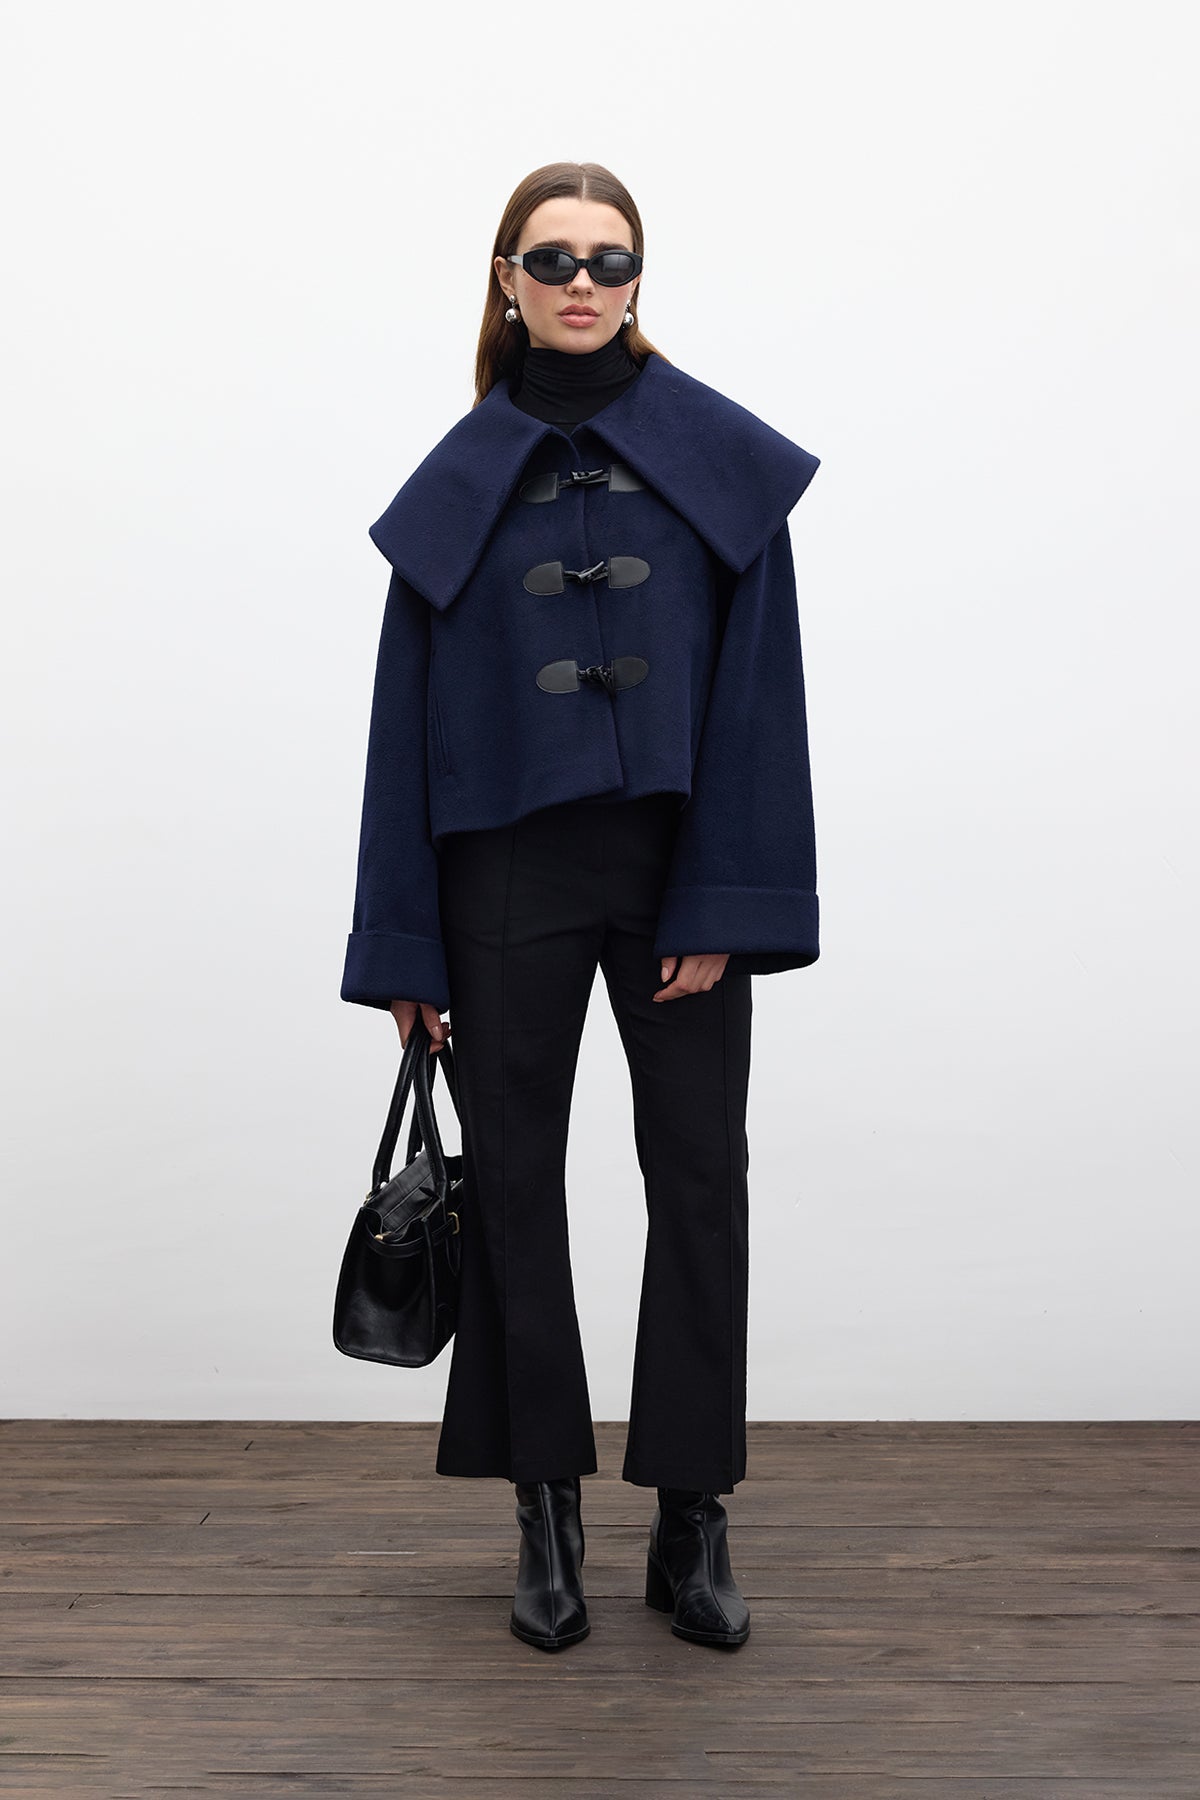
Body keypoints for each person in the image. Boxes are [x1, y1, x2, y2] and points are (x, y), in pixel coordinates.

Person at [341, 161, 822, 1653]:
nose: (582, 283)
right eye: (551, 258)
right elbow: (401, 727)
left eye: (610, 260)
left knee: (701, 1178)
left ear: (637, 280)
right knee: (517, 1186)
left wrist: (725, 899)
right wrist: (406, 941)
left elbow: (761, 700)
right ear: (507, 277)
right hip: (501, 877)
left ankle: (693, 1515)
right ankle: (542, 1504)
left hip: (679, 876)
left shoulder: (718, 459)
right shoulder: (458, 480)